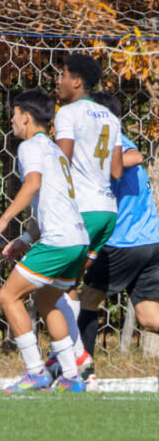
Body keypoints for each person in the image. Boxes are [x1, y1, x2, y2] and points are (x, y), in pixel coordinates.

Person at [0, 90, 90, 393]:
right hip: (77, 240)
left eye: (14, 114)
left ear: (26, 117)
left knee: (8, 296)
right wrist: (25, 239)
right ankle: (71, 377)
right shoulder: (55, 151)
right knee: (47, 301)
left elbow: (33, 184)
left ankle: (35, 372)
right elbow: (54, 205)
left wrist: (3, 220)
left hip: (58, 241)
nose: (11, 120)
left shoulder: (30, 146)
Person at [49, 54, 122, 375]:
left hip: (82, 209)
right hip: (106, 211)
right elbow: (116, 171)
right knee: (68, 283)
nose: (58, 80)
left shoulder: (67, 113)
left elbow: (61, 160)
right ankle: (72, 358)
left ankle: (75, 356)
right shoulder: (111, 118)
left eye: (62, 75)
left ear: (76, 81)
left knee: (48, 283)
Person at [76, 92, 159, 362]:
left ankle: (81, 371)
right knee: (149, 318)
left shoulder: (112, 141)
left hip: (123, 242)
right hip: (149, 241)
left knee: (88, 299)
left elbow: (135, 156)